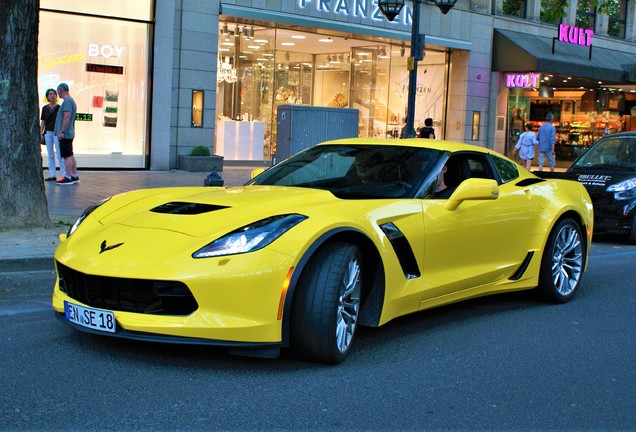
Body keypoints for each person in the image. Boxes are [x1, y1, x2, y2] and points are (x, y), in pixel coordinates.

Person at [54, 83, 80, 185]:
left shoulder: (68, 101)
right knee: (70, 154)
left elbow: (67, 117)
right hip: (69, 133)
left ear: (61, 90)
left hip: (66, 133)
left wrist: (62, 131)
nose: (57, 93)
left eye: (57, 91)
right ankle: (74, 175)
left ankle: (68, 177)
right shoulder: (70, 100)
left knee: (67, 156)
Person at [40, 89, 66, 181]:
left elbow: (62, 121)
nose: (52, 96)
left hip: (56, 132)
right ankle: (52, 175)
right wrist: (41, 133)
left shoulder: (59, 108)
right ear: (47, 97)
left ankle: (64, 174)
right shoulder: (45, 108)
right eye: (50, 94)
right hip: (48, 132)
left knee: (59, 154)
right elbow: (43, 122)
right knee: (50, 154)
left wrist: (62, 132)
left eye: (54, 94)